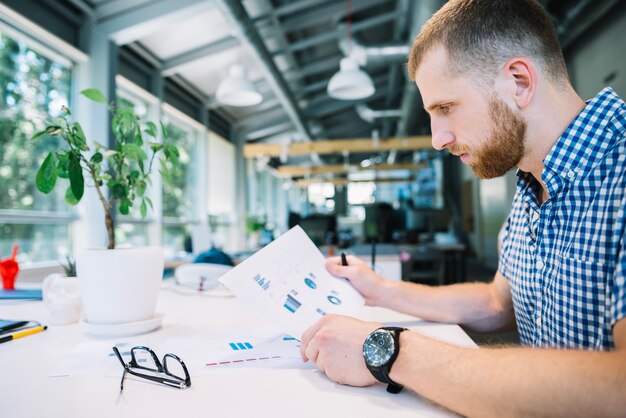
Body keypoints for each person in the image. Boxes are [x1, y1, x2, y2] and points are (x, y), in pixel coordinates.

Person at [299, 0, 626, 416]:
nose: (438, 138)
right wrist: (381, 290)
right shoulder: (532, 181)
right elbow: (497, 304)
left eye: (446, 108)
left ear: (519, 82)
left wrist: (389, 350)